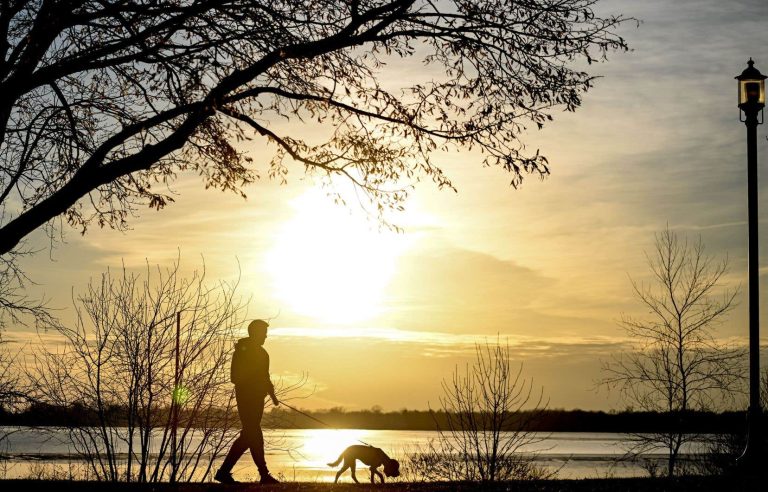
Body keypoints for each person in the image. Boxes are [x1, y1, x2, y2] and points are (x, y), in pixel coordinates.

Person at [215, 319, 280, 484]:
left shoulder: (264, 354)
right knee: (254, 434)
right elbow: (235, 377)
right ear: (255, 333)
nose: (266, 336)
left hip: (258, 400)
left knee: (248, 436)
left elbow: (265, 377)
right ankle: (264, 474)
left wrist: (272, 394)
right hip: (245, 399)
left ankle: (224, 473)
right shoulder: (242, 351)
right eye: (264, 333)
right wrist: (256, 385)